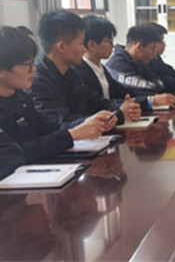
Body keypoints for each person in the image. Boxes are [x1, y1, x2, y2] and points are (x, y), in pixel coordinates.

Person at [0, 26, 116, 179]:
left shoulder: (21, 98)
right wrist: (71, 135)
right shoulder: (38, 84)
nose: (33, 69)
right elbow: (14, 154)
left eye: (33, 63)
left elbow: (50, 127)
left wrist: (88, 124)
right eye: (27, 64)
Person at [29, 10, 136, 125]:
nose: (84, 49)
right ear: (62, 47)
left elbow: (95, 102)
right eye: (80, 43)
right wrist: (115, 116)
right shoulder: (38, 82)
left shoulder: (71, 73)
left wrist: (126, 108)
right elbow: (62, 122)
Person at [72, 16, 174, 111]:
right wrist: (150, 101)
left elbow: (124, 92)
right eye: (109, 41)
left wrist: (151, 98)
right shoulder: (78, 73)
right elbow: (101, 104)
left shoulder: (100, 69)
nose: (113, 46)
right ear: (92, 45)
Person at [106, 25, 175, 109]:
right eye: (153, 49)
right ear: (138, 47)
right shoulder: (118, 65)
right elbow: (146, 90)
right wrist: (151, 99)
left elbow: (159, 84)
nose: (155, 54)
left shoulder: (139, 62)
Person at [146, 23, 175, 89]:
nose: (164, 45)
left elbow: (169, 72)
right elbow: (160, 82)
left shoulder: (156, 58)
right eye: (161, 41)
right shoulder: (144, 60)